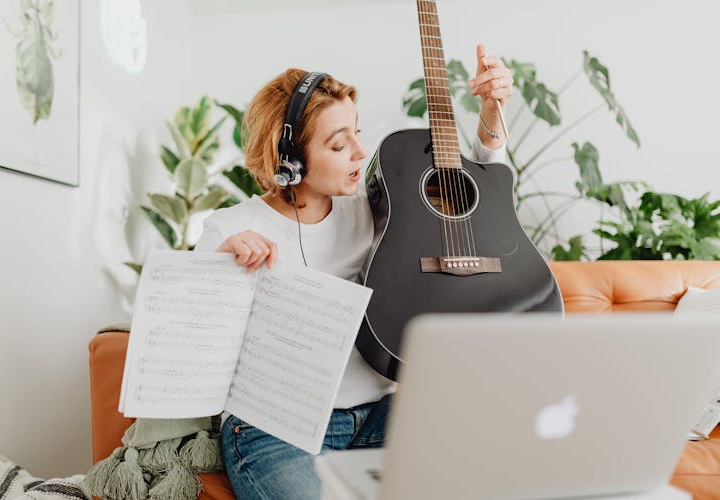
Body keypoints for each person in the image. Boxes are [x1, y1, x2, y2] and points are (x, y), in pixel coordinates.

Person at [193, 44, 513, 500]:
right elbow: (196, 346)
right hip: (278, 429)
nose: (361, 152)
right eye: (339, 144)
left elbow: (473, 208)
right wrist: (220, 272)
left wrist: (492, 116)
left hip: (382, 414)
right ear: (290, 158)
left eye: (357, 134)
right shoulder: (229, 229)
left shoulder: (379, 211)